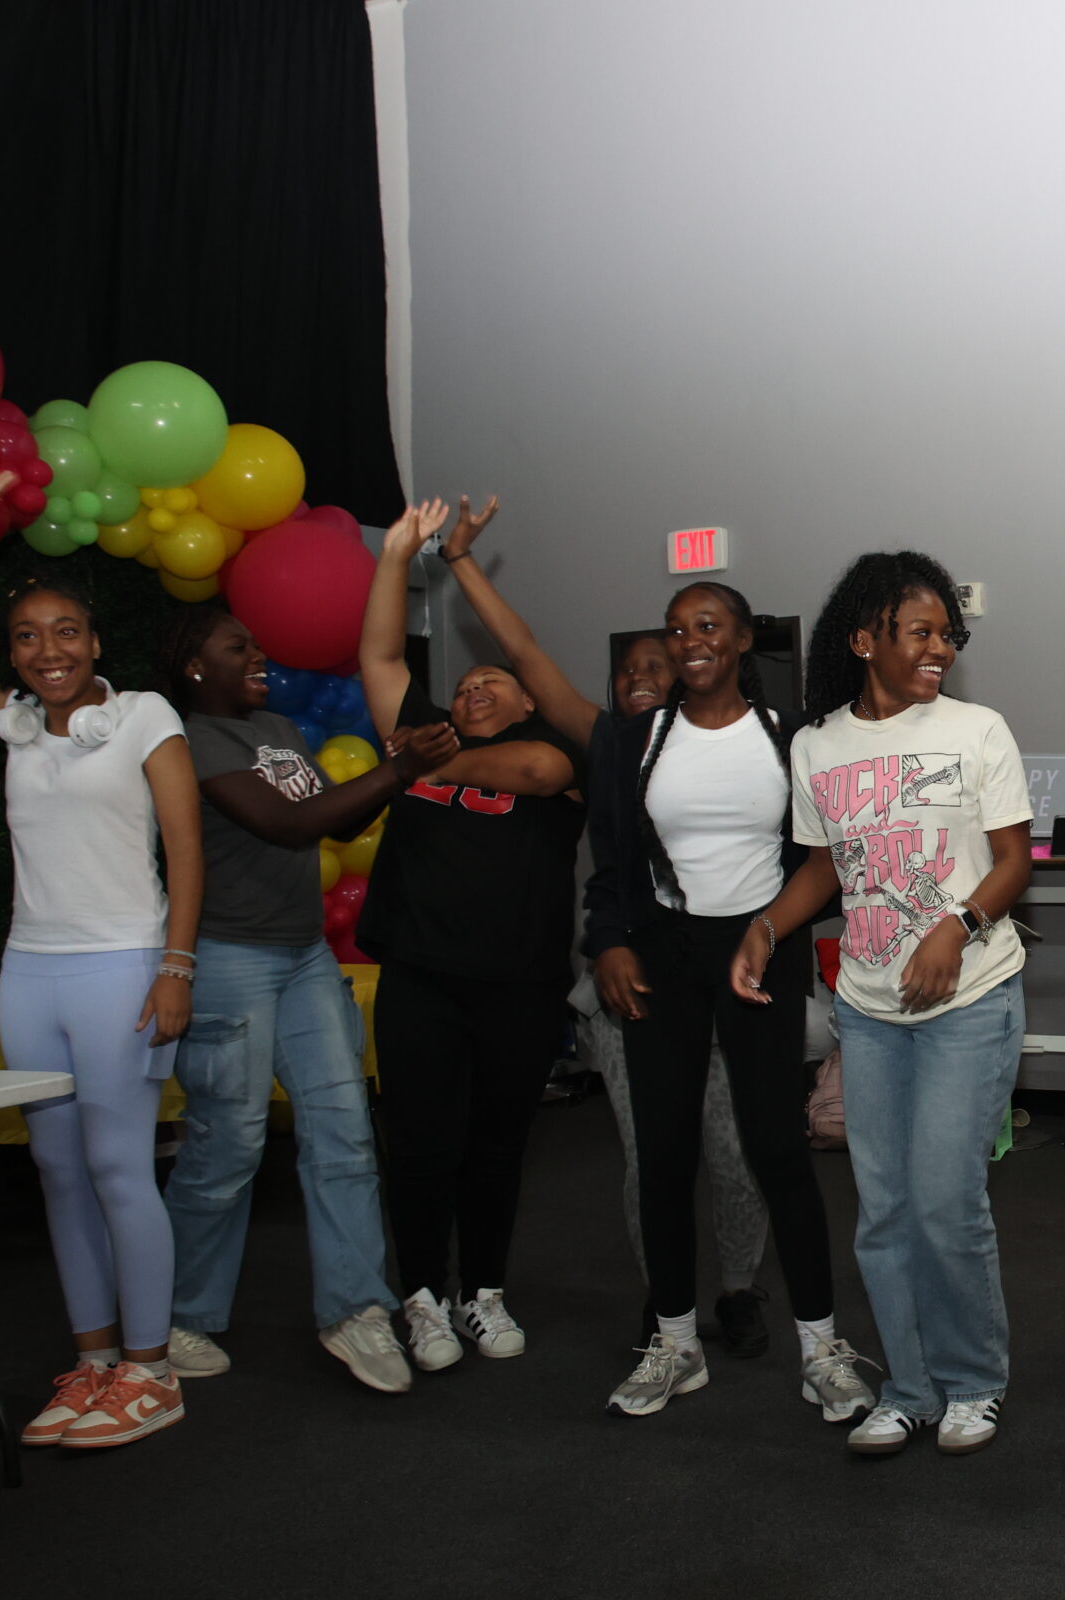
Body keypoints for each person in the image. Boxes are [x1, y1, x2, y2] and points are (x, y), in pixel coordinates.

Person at [0, 471, 206, 1449]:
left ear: (96, 642)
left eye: (66, 631)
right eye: (27, 636)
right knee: (58, 1171)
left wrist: (176, 966)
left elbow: (187, 851)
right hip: (32, 972)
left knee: (118, 1166)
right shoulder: (13, 722)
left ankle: (152, 1371)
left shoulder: (143, 716)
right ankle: (94, 1362)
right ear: (11, 652)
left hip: (123, 966)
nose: (47, 650)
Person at [424, 502, 776, 1358]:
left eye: (665, 659)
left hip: (724, 979)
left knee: (735, 1152)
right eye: (630, 668)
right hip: (631, 986)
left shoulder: (756, 740)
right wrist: (462, 560)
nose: (646, 674)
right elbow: (526, 655)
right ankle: (666, 1299)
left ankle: (738, 1287)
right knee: (651, 1158)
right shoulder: (613, 744)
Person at [729, 551, 1032, 1457]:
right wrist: (766, 927)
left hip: (969, 997)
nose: (940, 648)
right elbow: (825, 867)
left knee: (945, 1200)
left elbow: (1014, 860)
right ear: (865, 639)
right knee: (886, 1209)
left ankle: (973, 1380)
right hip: (868, 1006)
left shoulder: (977, 729)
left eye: (948, 634)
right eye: (921, 632)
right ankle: (909, 1387)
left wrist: (957, 926)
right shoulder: (817, 745)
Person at [149, 601, 459, 1393]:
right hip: (229, 957)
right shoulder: (191, 739)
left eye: (257, 645)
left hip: (303, 954)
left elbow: (333, 822)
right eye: (238, 648)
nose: (258, 656)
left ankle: (355, 1308)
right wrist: (398, 769)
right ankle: (176, 1313)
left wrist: (398, 767)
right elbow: (287, 824)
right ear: (195, 666)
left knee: (345, 1130)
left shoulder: (278, 729)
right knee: (230, 1142)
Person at [584, 576, 871, 1420]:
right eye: (676, 629)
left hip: (759, 953)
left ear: (745, 639)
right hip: (662, 957)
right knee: (664, 1156)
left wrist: (770, 933)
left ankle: (822, 1349)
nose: (690, 641)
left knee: (777, 1151)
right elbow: (611, 864)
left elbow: (819, 860)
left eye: (708, 625)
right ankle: (675, 1344)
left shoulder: (792, 737)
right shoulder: (636, 740)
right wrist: (608, 940)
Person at [355, 498, 589, 1372]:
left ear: (528, 697)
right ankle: (421, 1294)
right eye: (461, 686)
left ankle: (482, 1291)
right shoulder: (421, 733)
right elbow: (380, 656)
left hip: (517, 986)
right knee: (419, 1143)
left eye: (491, 682)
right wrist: (393, 557)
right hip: (420, 977)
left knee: (497, 1144)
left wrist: (417, 761)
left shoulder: (553, 749)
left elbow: (536, 770)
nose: (471, 690)